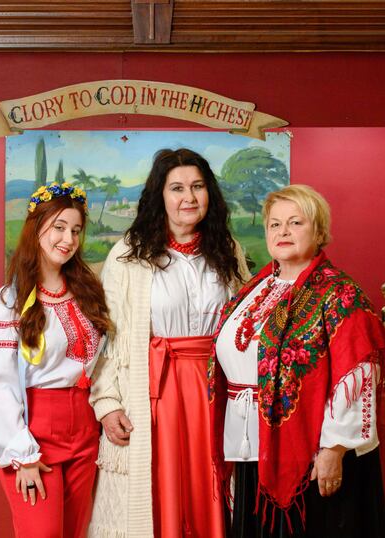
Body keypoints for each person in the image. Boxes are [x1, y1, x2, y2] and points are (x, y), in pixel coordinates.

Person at [208, 184, 385, 538]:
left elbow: (359, 374)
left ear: (319, 232)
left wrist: (334, 448)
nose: (283, 232)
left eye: (295, 222)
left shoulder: (340, 293)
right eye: (274, 224)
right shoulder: (255, 288)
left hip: (312, 452)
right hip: (253, 445)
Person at [88, 148, 250, 538]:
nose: (188, 198)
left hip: (215, 390)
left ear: (209, 193)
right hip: (154, 391)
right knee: (158, 489)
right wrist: (107, 403)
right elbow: (107, 336)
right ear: (159, 195)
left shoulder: (228, 250)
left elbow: (247, 324)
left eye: (197, 186)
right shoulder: (129, 255)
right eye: (177, 188)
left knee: (212, 487)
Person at [0, 183, 111, 538]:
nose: (68, 239)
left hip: (85, 428)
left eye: (76, 230)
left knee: (75, 532)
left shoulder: (87, 293)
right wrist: (22, 453)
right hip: (36, 432)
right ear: (36, 228)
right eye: (59, 227)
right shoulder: (9, 301)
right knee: (44, 533)